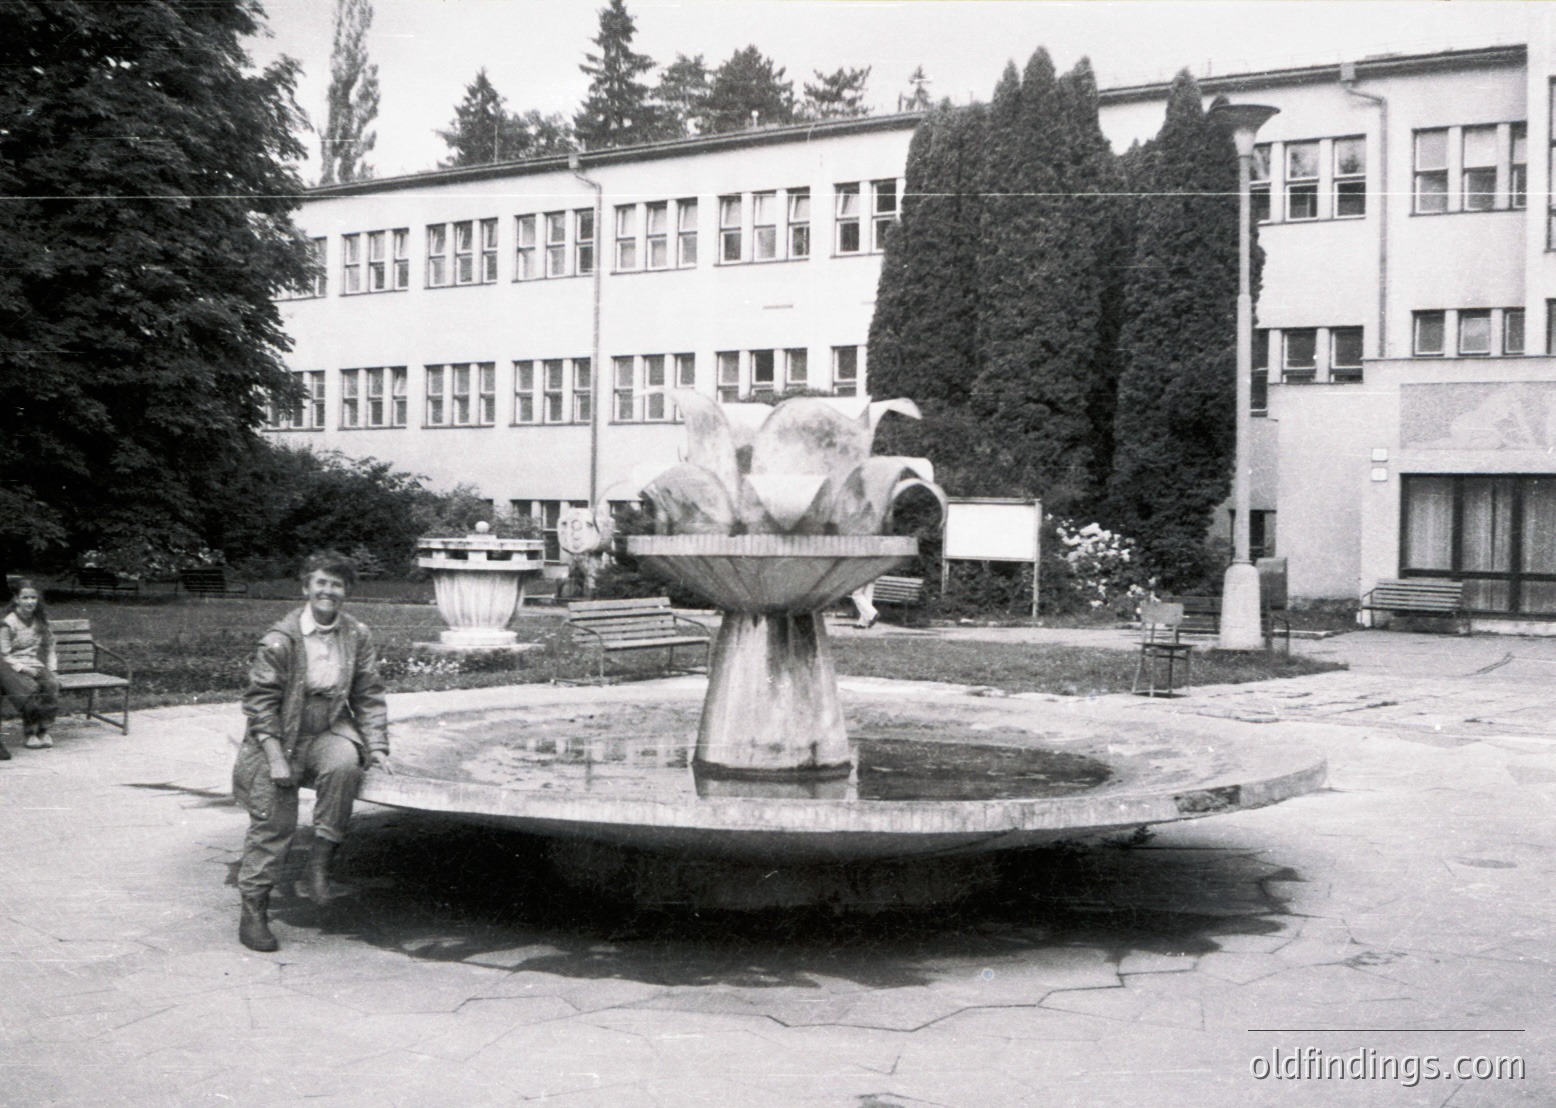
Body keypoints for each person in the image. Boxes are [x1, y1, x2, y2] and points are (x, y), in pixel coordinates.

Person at [232, 551, 391, 953]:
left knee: (344, 766)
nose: (328, 591)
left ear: (346, 592)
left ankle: (318, 866)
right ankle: (254, 910)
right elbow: (259, 702)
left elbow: (368, 694)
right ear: (306, 588)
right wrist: (274, 756)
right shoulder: (280, 639)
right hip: (278, 735)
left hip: (326, 727)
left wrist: (378, 746)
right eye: (321, 583)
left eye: (337, 585)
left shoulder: (356, 634)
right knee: (274, 822)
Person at [0, 582, 60, 749]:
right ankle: (30, 732)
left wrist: (52, 669)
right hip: (13, 667)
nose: (29, 602)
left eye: (33, 597)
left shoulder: (40, 620)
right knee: (30, 689)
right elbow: (4, 654)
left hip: (34, 663)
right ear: (16, 600)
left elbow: (50, 646)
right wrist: (22, 668)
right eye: (25, 597)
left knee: (52, 685)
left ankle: (44, 729)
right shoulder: (8, 623)